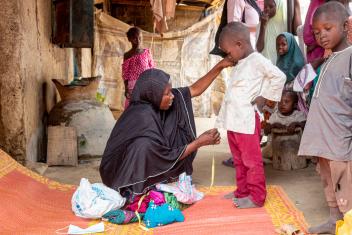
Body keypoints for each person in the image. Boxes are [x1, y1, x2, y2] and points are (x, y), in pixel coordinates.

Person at [100, 58, 233, 199]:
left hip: (154, 157)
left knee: (178, 130)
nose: (172, 96)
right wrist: (199, 142)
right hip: (123, 173)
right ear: (153, 95)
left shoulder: (157, 101)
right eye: (167, 93)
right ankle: (136, 188)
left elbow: (194, 89)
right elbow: (163, 155)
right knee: (143, 146)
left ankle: (162, 178)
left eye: (171, 91)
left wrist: (220, 65)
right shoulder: (143, 117)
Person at [216, 22, 286, 208]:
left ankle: (256, 197)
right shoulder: (241, 62)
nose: (227, 56)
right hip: (234, 122)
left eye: (228, 52)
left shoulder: (257, 60)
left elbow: (279, 77)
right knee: (238, 161)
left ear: (239, 44)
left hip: (246, 122)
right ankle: (242, 191)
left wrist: (266, 97)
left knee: (251, 161)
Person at [298, 2, 352, 234]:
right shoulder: (326, 60)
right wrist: (316, 63)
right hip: (321, 137)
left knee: (345, 183)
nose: (322, 36)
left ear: (345, 25)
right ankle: (334, 220)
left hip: (340, 136)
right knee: (328, 180)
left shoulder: (350, 56)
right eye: (317, 32)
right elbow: (297, 84)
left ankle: (348, 223)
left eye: (328, 28)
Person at [256, 0, 301, 64]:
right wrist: (263, 26)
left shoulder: (285, 19)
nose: (267, 9)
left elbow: (298, 31)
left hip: (282, 66)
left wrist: (296, 5)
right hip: (266, 65)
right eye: (265, 7)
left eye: (271, 6)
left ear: (278, 6)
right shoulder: (262, 22)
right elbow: (259, 48)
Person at [122, 27, 154, 108]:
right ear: (129, 39)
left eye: (140, 38)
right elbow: (125, 74)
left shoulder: (146, 52)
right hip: (133, 86)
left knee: (145, 107)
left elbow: (152, 69)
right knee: (133, 107)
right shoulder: (127, 55)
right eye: (135, 39)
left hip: (146, 84)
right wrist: (126, 88)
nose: (138, 40)